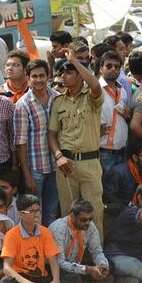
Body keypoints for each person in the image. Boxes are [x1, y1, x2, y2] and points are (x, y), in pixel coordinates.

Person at [48, 50, 105, 233]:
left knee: (93, 212)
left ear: (80, 75)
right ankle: (72, 258)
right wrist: (58, 157)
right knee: (69, 213)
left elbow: (95, 86)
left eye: (69, 72)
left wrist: (75, 60)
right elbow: (52, 134)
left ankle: (96, 257)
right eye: (62, 72)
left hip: (90, 162)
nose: (63, 76)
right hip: (66, 164)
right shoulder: (58, 101)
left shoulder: (91, 97)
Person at [0, 194, 82, 283]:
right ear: (21, 214)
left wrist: (56, 281)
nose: (36, 215)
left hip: (41, 277)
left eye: (38, 211)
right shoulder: (11, 234)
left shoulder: (45, 231)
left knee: (76, 279)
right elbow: (7, 268)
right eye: (32, 212)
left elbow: (53, 260)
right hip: (22, 278)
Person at [15, 59, 59, 226]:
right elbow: (20, 142)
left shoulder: (57, 98)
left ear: (48, 76)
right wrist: (27, 175)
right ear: (28, 78)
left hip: (56, 166)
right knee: (33, 214)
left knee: (52, 211)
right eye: (34, 76)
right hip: (36, 169)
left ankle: (49, 247)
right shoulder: (23, 105)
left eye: (42, 76)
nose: (39, 80)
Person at [49, 199, 110, 283]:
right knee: (75, 279)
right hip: (56, 267)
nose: (87, 223)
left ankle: (92, 277)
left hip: (76, 265)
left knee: (110, 264)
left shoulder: (90, 226)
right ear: (73, 216)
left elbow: (97, 251)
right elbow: (60, 262)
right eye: (83, 220)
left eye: (90, 219)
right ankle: (86, 280)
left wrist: (102, 266)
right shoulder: (58, 228)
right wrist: (87, 270)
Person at [102, 138, 142, 219]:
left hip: (138, 214)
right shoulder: (118, 173)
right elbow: (107, 196)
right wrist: (127, 207)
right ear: (135, 157)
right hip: (118, 216)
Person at [98, 51, 130, 173]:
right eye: (109, 66)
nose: (113, 69)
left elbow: (124, 117)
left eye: (117, 67)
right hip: (103, 150)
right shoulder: (95, 89)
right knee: (105, 188)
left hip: (121, 149)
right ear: (101, 68)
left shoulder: (122, 91)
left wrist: (127, 115)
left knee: (117, 189)